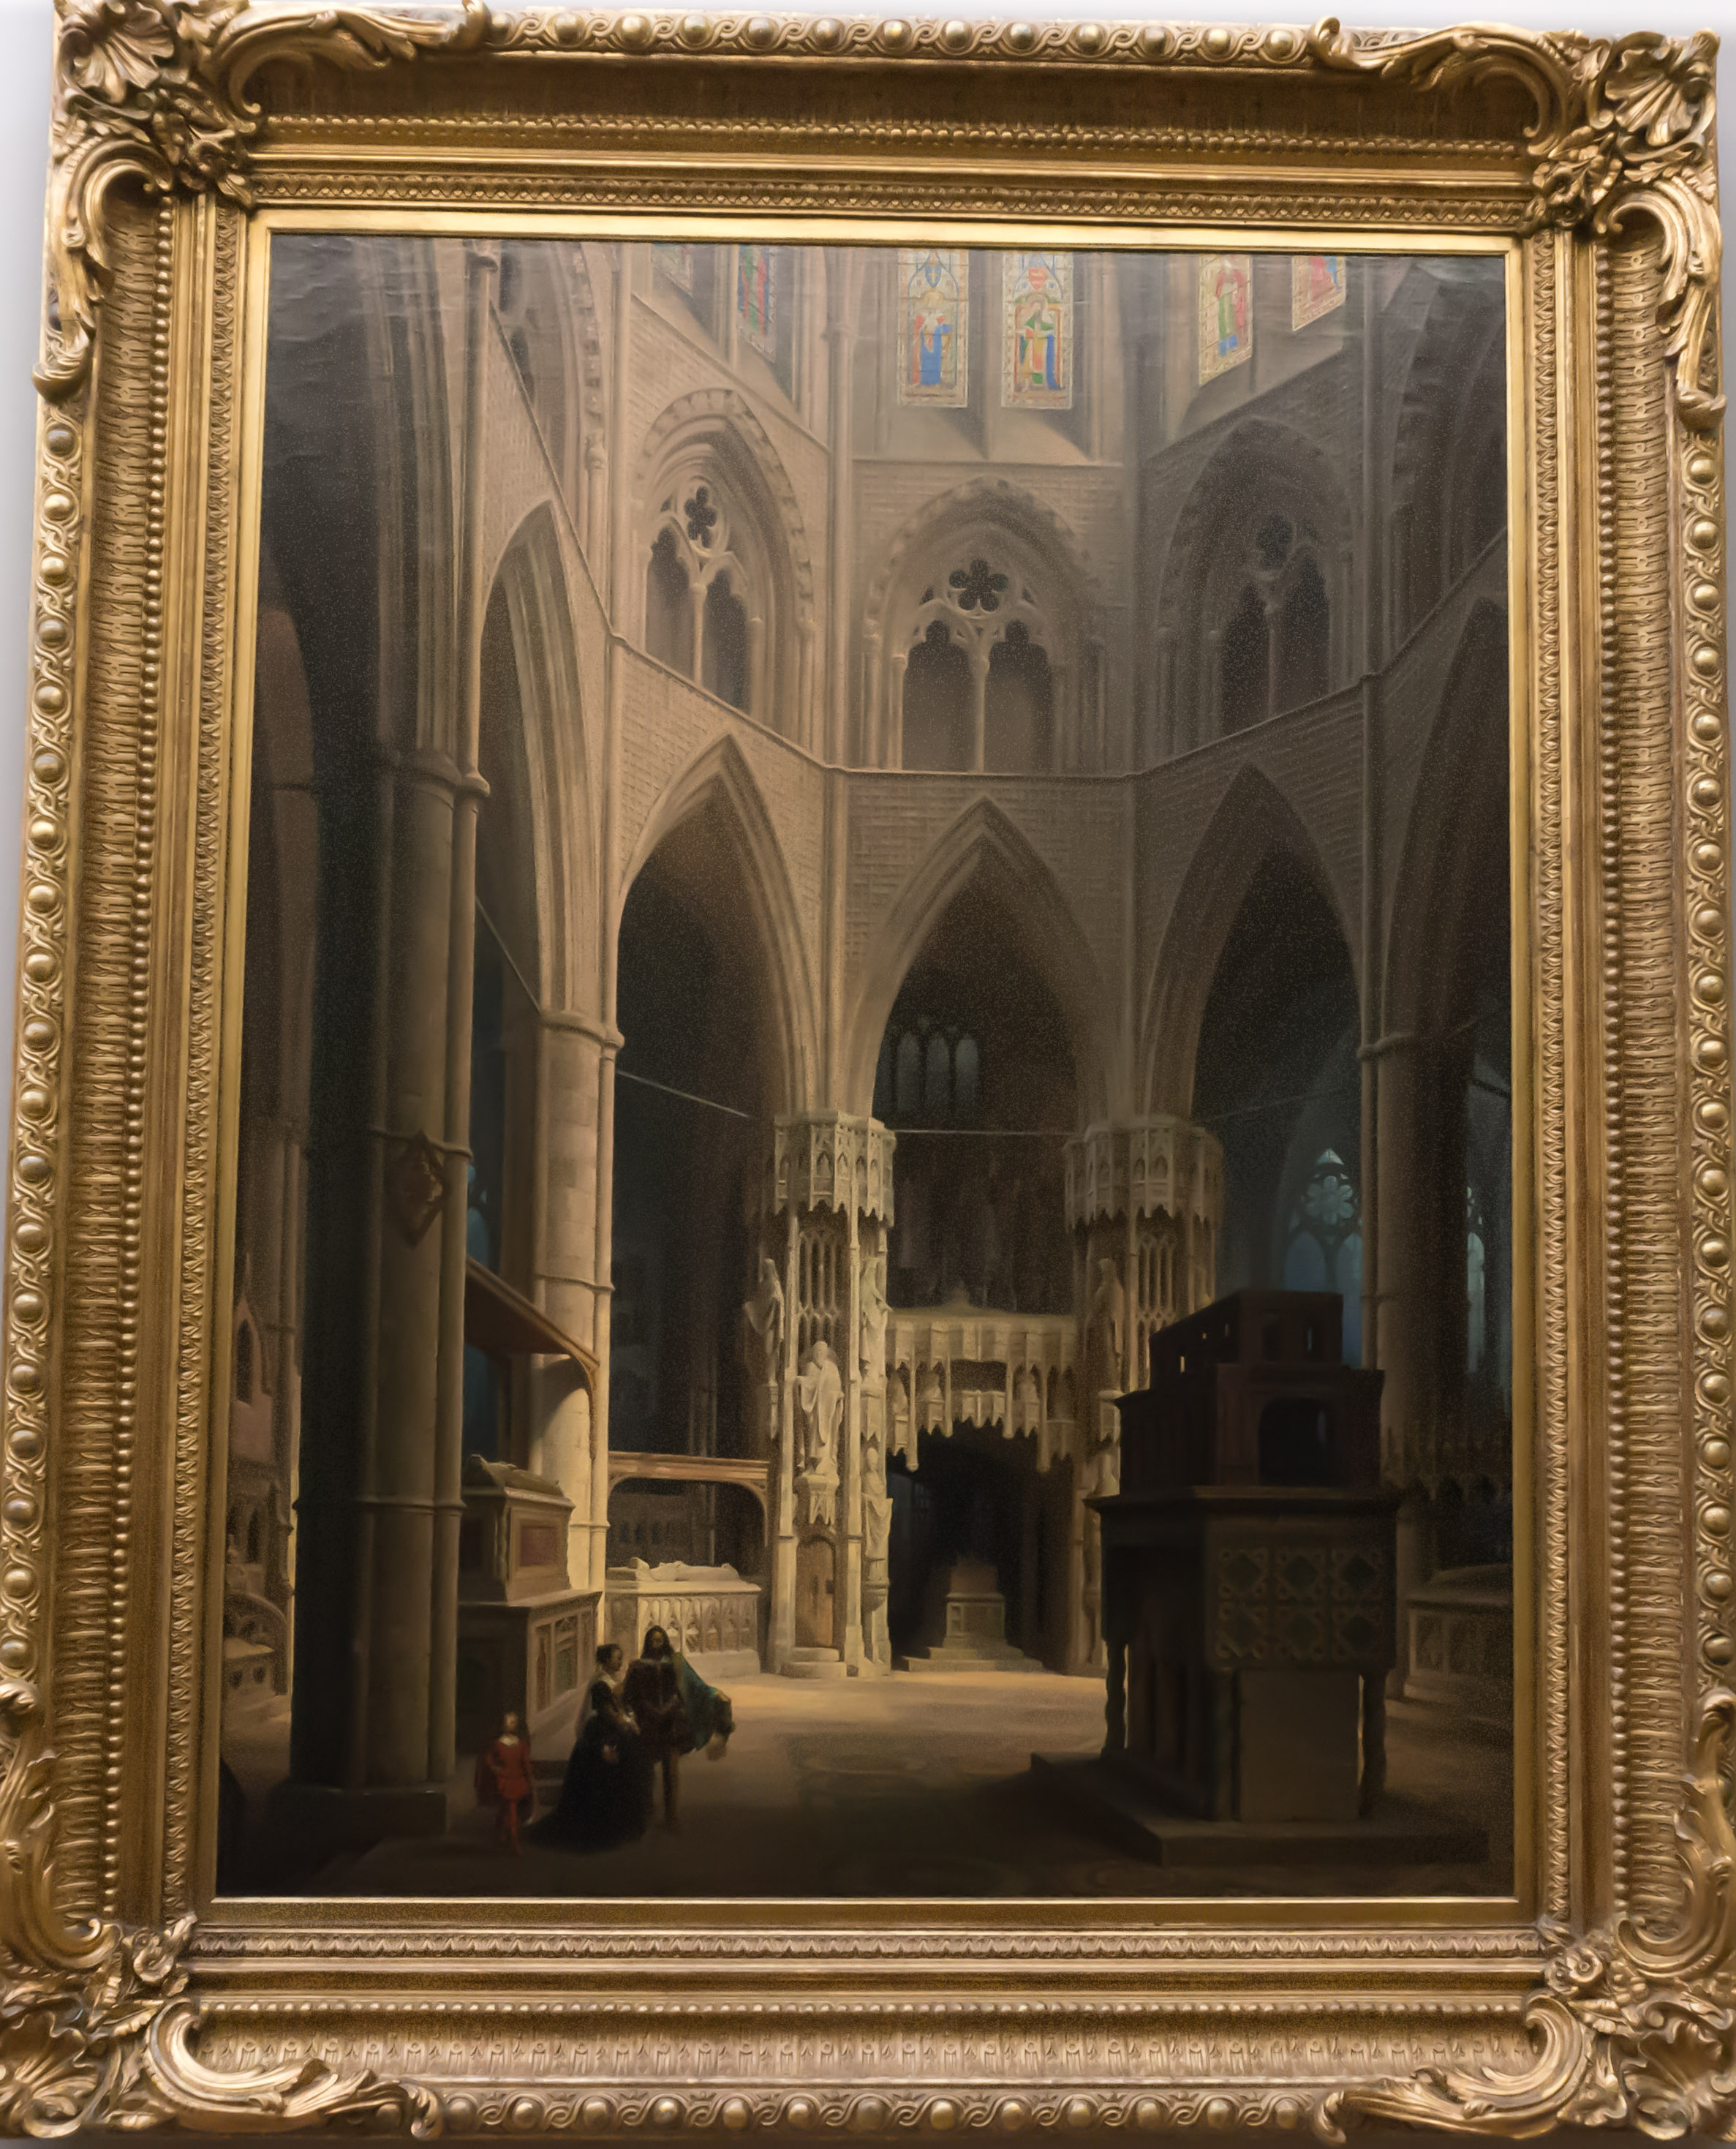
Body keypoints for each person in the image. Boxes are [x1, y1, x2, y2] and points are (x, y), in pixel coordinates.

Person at [532, 1643, 653, 1852]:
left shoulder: (609, 1681)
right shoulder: (600, 1685)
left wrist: (628, 1717)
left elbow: (619, 1707)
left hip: (610, 1729)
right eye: (616, 1658)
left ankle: (619, 1826)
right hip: (602, 1734)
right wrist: (626, 1723)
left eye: (621, 1657)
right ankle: (603, 1832)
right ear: (606, 1661)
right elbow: (609, 1715)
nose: (620, 1661)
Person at [621, 1624, 735, 1831]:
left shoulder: (672, 1664)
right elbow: (631, 1696)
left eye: (660, 1640)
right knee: (645, 1770)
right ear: (648, 1643)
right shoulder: (637, 1667)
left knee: (671, 1770)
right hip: (647, 1723)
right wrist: (646, 1709)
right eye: (653, 1640)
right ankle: (645, 1812)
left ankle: (671, 1817)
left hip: (668, 1724)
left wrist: (669, 1707)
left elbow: (680, 1692)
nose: (657, 1644)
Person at [474, 1711, 535, 1853]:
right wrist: (496, 1769)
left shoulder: (521, 1745)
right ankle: (513, 1841)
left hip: (518, 1780)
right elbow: (488, 1760)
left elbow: (526, 1764)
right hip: (503, 1781)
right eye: (508, 1722)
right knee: (510, 1810)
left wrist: (529, 1780)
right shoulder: (497, 1744)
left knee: (508, 1810)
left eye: (513, 1722)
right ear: (503, 1725)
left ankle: (503, 1835)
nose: (510, 1724)